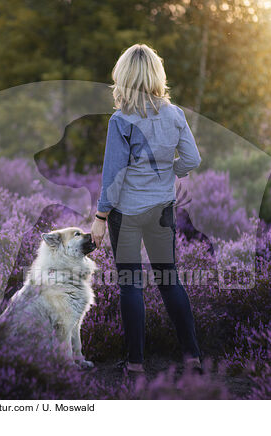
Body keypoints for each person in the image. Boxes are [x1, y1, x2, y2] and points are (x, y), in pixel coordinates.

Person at [91, 43, 203, 375]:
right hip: (162, 211)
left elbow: (113, 176)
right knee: (170, 281)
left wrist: (99, 218)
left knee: (130, 284)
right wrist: (174, 171)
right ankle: (193, 357)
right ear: (157, 74)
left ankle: (136, 365)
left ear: (124, 77)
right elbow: (193, 159)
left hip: (126, 214)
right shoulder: (174, 114)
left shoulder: (120, 120)